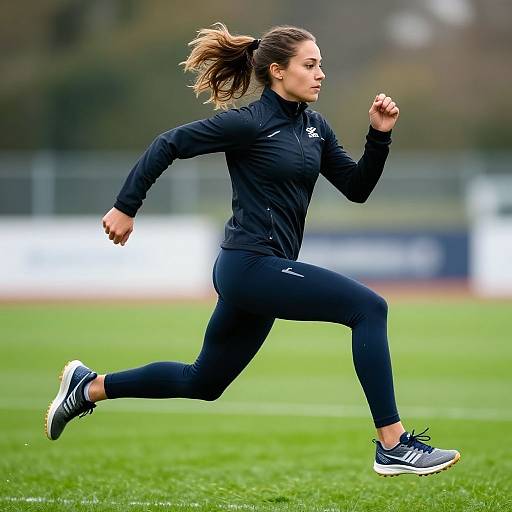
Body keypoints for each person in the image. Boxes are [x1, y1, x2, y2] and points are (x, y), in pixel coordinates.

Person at [45, 22, 460, 477]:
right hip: (247, 265)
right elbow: (169, 143)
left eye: (321, 64)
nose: (321, 73)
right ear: (279, 72)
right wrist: (126, 207)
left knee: (203, 381)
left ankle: (87, 388)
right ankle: (393, 443)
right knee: (368, 307)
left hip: (264, 271)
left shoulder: (314, 128)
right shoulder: (248, 123)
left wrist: (379, 136)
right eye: (310, 64)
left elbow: (356, 188)